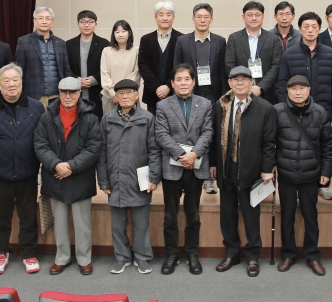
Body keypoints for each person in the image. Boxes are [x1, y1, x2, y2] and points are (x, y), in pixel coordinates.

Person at [0, 63, 45, 275]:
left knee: (28, 216)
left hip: (28, 172)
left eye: (15, 80)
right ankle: (0, 253)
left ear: (21, 82)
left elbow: (43, 141)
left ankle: (29, 254)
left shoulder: (36, 108)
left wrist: (44, 170)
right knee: (1, 217)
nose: (11, 84)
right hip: (0, 174)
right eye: (7, 81)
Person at [210, 66, 277, 277]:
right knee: (228, 215)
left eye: (244, 79)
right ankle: (231, 253)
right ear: (229, 83)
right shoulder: (220, 105)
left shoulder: (264, 108)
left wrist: (267, 169)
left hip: (251, 170)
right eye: (235, 79)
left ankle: (253, 256)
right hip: (225, 168)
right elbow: (213, 137)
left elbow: (269, 142)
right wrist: (213, 163)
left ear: (251, 83)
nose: (240, 83)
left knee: (250, 216)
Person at [34, 77, 101, 276]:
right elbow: (40, 144)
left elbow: (94, 147)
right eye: (64, 92)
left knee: (82, 223)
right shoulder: (47, 117)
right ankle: (61, 258)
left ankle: (84, 259)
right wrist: (56, 164)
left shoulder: (91, 118)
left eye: (72, 92)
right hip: (55, 175)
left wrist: (71, 166)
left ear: (80, 93)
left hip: (80, 176)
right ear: (59, 92)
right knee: (60, 222)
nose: (68, 96)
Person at [97, 79, 162, 275]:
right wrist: (103, 180)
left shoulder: (147, 118)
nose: (125, 96)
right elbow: (102, 152)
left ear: (136, 95)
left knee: (141, 222)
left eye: (129, 92)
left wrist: (153, 178)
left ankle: (142, 256)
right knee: (117, 223)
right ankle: (122, 257)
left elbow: (154, 150)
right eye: (121, 93)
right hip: (115, 177)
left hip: (139, 177)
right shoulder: (107, 119)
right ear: (116, 97)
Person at [154, 64, 213, 275]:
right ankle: (171, 254)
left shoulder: (205, 104)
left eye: (187, 79)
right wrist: (182, 155)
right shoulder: (163, 105)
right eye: (178, 79)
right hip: (172, 166)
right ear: (172, 83)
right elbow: (161, 134)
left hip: (195, 166)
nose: (183, 83)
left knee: (193, 214)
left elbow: (208, 132)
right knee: (170, 215)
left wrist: (194, 154)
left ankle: (192, 254)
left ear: (194, 82)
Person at [273, 75, 332, 276]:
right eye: (293, 88)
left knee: (310, 217)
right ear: (287, 91)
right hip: (286, 173)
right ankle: (288, 254)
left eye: (302, 88)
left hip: (311, 174)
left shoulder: (320, 112)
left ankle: (312, 255)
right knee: (287, 216)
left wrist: (326, 172)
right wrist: (270, 166)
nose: (298, 92)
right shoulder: (278, 111)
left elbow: (328, 144)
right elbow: (270, 142)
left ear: (309, 90)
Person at [173, 3, 226, 196]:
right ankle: (189, 175)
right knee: (191, 134)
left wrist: (223, 97)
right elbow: (177, 68)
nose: (202, 20)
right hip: (189, 95)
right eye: (199, 16)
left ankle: (209, 177)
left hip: (213, 95)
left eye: (206, 17)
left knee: (210, 135)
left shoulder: (220, 41)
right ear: (193, 19)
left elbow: (223, 71)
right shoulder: (182, 41)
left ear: (211, 19)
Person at [276, 12, 332, 118]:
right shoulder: (289, 54)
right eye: (306, 27)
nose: (310, 30)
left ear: (319, 29)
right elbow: (282, 84)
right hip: (295, 110)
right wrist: (284, 108)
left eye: (314, 27)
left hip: (324, 109)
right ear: (300, 29)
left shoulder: (330, 54)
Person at [225, 0, 283, 104]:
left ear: (263, 17)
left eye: (257, 15)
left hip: (267, 93)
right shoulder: (234, 38)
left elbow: (276, 66)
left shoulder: (273, 39)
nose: (254, 18)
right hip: (240, 92)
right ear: (243, 17)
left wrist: (261, 87)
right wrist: (244, 85)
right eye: (250, 15)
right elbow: (229, 65)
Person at [15, 7, 72, 105]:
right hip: (33, 95)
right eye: (40, 18)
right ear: (34, 21)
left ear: (52, 22)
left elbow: (66, 70)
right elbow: (19, 70)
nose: (44, 21)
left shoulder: (60, 43)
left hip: (58, 95)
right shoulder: (24, 41)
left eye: (47, 18)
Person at [139, 1, 182, 115]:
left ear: (173, 18)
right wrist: (157, 87)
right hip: (152, 93)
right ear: (155, 18)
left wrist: (168, 86)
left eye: (168, 14)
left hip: (175, 93)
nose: (165, 18)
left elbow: (182, 66)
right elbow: (142, 65)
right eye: (161, 14)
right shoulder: (146, 39)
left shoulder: (182, 39)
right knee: (153, 124)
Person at [65, 10, 110, 119]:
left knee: (97, 123)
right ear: (78, 24)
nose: (86, 25)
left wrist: (94, 79)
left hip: (97, 93)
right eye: (83, 21)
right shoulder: (68, 44)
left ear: (96, 24)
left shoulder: (104, 44)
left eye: (90, 21)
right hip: (75, 93)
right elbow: (65, 67)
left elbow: (108, 67)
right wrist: (76, 80)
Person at [100, 20, 141, 116]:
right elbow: (104, 74)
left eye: (123, 31)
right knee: (110, 123)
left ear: (129, 33)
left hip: (130, 96)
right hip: (109, 97)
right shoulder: (106, 51)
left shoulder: (136, 51)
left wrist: (123, 94)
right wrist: (114, 94)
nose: (120, 35)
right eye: (117, 32)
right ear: (113, 34)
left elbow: (136, 74)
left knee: (132, 123)